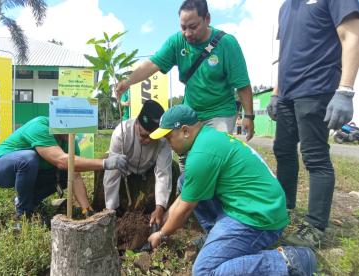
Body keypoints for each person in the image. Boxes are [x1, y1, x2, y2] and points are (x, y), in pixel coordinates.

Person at [147, 105, 317, 275]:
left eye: (169, 138)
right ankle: (219, 240)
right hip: (254, 204)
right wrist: (164, 218)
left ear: (185, 131)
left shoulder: (201, 155)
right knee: (185, 181)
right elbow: (186, 196)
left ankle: (288, 261)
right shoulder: (208, 138)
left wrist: (161, 234)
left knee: (204, 271)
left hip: (259, 218)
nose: (168, 145)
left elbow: (185, 208)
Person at [267, 0, 359, 248]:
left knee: (315, 157)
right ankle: (284, 208)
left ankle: (316, 226)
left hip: (316, 88)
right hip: (287, 93)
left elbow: (351, 35)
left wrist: (346, 91)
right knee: (283, 151)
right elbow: (284, 53)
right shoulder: (286, 7)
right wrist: (276, 92)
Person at [116, 0, 255, 142]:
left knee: (213, 151)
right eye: (183, 27)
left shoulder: (227, 44)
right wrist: (128, 82)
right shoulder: (177, 42)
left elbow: (242, 84)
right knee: (184, 153)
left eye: (193, 27)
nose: (187, 33)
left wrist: (249, 116)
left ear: (207, 19)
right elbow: (152, 64)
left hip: (220, 112)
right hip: (191, 113)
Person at [0, 116, 128, 219]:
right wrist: (105, 163)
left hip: (27, 172)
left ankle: (29, 202)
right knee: (28, 159)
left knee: (67, 175)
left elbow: (75, 176)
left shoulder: (70, 141)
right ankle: (23, 214)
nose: (73, 133)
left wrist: (87, 210)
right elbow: (62, 161)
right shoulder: (40, 126)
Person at [93, 100, 177, 226]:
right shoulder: (121, 132)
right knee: (104, 161)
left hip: (148, 171)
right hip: (125, 170)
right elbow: (112, 174)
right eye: (143, 135)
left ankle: (161, 214)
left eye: (151, 137)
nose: (146, 141)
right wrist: (111, 210)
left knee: (174, 168)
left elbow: (163, 174)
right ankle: (105, 209)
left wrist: (160, 207)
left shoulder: (163, 140)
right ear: (136, 122)